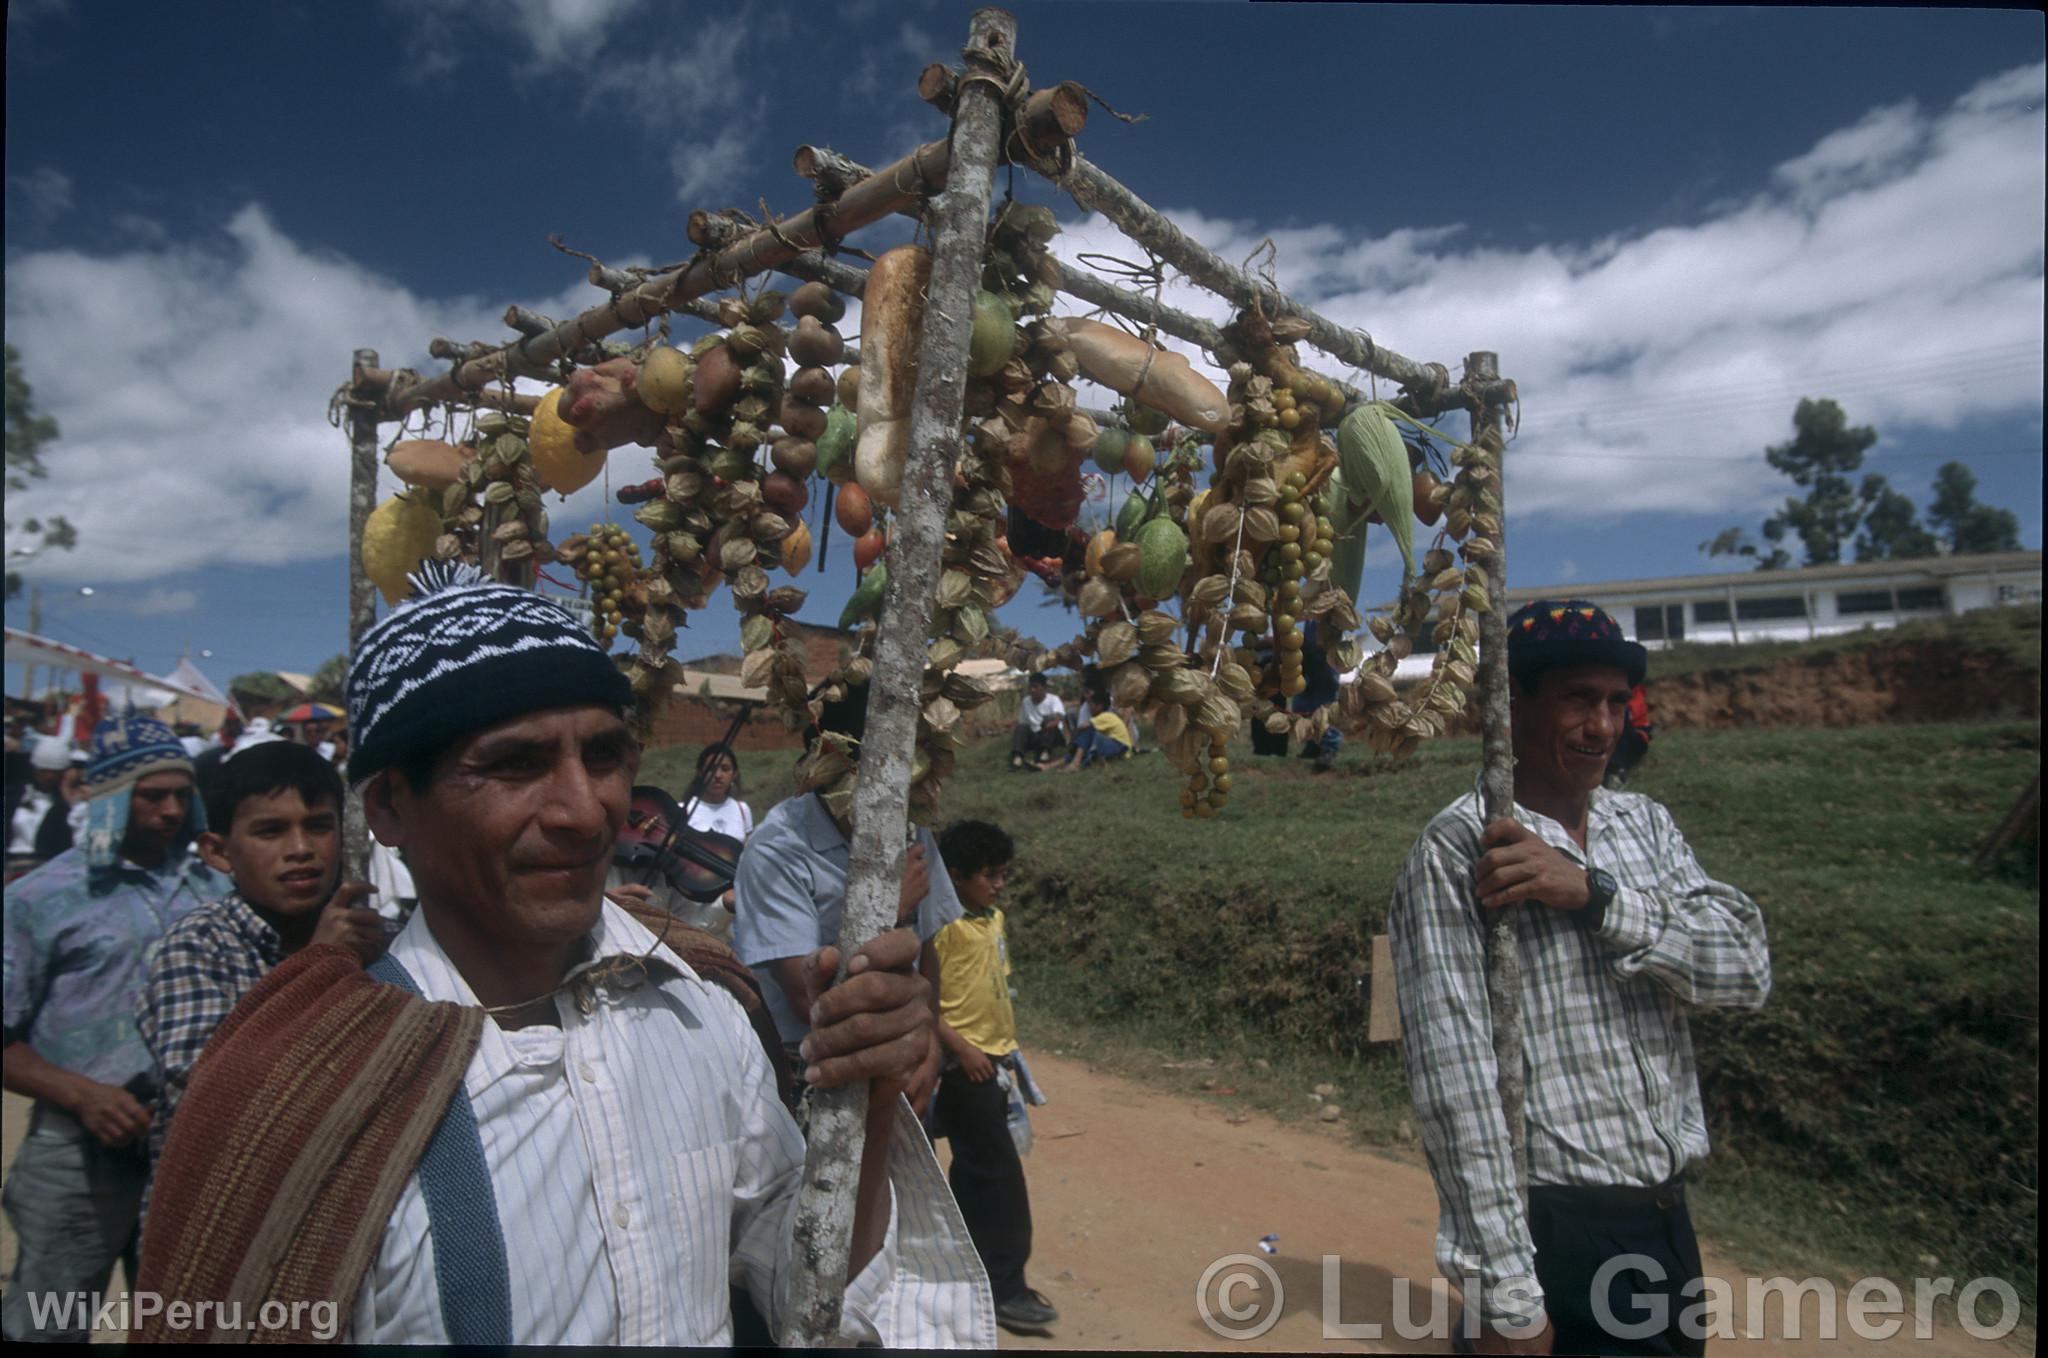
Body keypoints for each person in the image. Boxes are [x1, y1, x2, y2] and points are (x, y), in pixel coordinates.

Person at [133, 564, 988, 1345]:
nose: (586, 811)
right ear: (390, 808)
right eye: (514, 764)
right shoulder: (302, 1088)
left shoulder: (703, 1009)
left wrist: (870, 1110)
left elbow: (806, 1291)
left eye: (607, 754)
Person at [1387, 600, 1771, 1357]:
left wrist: (1596, 898)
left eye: (1613, 702)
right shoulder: (1460, 849)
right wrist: (1506, 1296)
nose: (1602, 727)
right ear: (1511, 704)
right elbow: (1457, 1087)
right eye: (1576, 699)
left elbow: (1746, 969)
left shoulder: (1644, 827)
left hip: (1664, 1218)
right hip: (1554, 1227)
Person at [2, 714, 226, 1342]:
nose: (170, 810)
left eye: (182, 795)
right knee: (51, 1323)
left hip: (188, 1152)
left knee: (185, 1325)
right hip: (77, 1157)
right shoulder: (39, 898)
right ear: (108, 797)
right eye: (151, 795)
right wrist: (82, 1095)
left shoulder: (215, 886)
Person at [134, 740, 387, 1199]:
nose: (301, 849)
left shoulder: (378, 939)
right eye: (270, 831)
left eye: (318, 826)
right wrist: (319, 966)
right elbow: (213, 1100)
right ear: (218, 852)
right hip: (225, 1213)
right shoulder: (200, 946)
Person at [733, 684, 963, 1090]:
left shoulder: (910, 830)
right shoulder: (778, 848)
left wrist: (927, 1042)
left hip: (901, 1053)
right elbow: (812, 1003)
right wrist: (889, 908)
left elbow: (925, 949)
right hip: (813, 1063)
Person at [930, 820, 1057, 1336]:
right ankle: (1005, 1289)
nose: (999, 884)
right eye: (989, 875)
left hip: (994, 1064)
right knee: (999, 1179)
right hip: (962, 1068)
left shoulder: (992, 919)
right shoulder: (941, 928)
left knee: (976, 1172)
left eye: (1004, 874)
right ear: (954, 876)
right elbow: (924, 997)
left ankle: (968, 1273)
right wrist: (961, 1048)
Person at [6, 735, 70, 869]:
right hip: (9, 863)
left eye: (54, 773)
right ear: (34, 769)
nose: (48, 777)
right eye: (43, 771)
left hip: (46, 867)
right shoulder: (12, 796)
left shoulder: (65, 805)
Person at [1056, 687, 1134, 772]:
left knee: (1089, 731)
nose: (1089, 707)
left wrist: (1075, 736)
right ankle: (1052, 765)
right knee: (1086, 740)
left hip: (1121, 748)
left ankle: (1075, 763)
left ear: (1099, 706)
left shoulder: (1105, 716)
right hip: (1120, 748)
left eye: (1091, 704)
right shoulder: (1108, 716)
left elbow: (1083, 727)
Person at [1008, 672, 1066, 772]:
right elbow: (1023, 722)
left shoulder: (1053, 699)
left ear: (1044, 688)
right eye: (1030, 687)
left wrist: (1048, 725)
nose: (1032, 690)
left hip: (1053, 735)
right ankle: (1017, 757)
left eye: (1035, 687)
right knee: (1021, 728)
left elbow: (1058, 718)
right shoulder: (1026, 702)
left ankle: (1045, 753)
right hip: (1035, 734)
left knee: (1049, 720)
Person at [1604, 684, 1653, 789]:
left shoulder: (1634, 692)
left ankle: (1615, 771)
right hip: (1622, 736)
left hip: (1636, 737)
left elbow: (1640, 721)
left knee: (1622, 720)